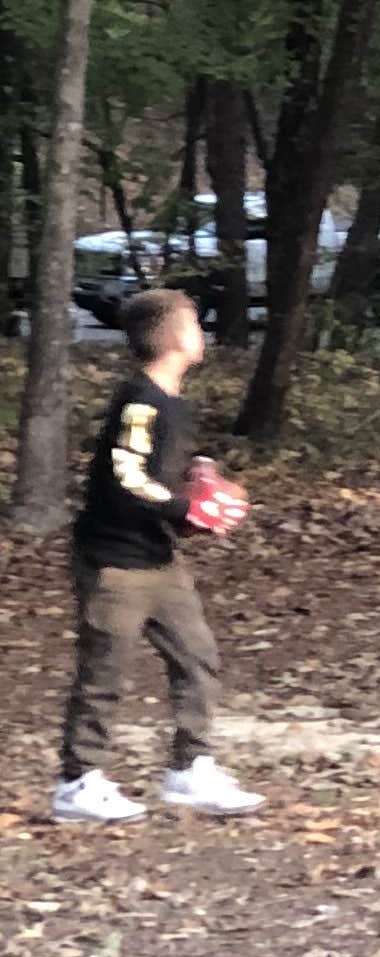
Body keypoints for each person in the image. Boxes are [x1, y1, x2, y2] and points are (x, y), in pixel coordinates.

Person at [55, 287, 265, 824]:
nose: (203, 333)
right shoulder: (141, 401)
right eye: (195, 324)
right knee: (105, 671)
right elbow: (124, 477)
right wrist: (183, 508)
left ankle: (190, 771)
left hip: (158, 558)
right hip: (113, 562)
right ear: (173, 338)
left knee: (197, 658)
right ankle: (80, 782)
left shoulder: (170, 401)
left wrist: (198, 473)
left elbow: (155, 467)